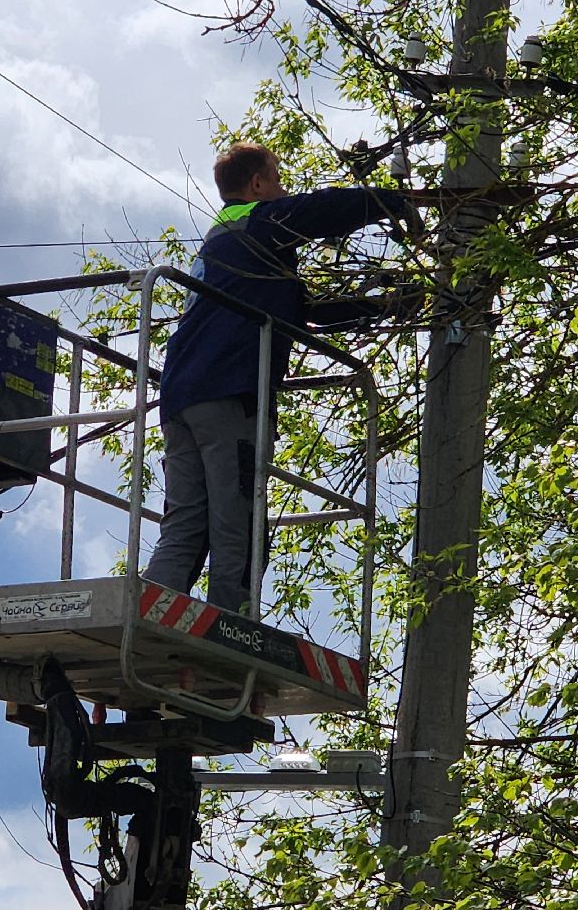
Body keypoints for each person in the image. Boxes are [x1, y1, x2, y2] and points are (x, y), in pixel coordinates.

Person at [141, 141, 409, 614]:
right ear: (259, 184)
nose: (284, 190)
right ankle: (230, 632)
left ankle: (153, 616)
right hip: (228, 393)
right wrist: (385, 200)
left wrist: (381, 306)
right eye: (278, 180)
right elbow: (317, 210)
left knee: (186, 524)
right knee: (239, 523)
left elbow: (301, 312)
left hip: (181, 396)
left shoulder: (227, 246)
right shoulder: (258, 222)